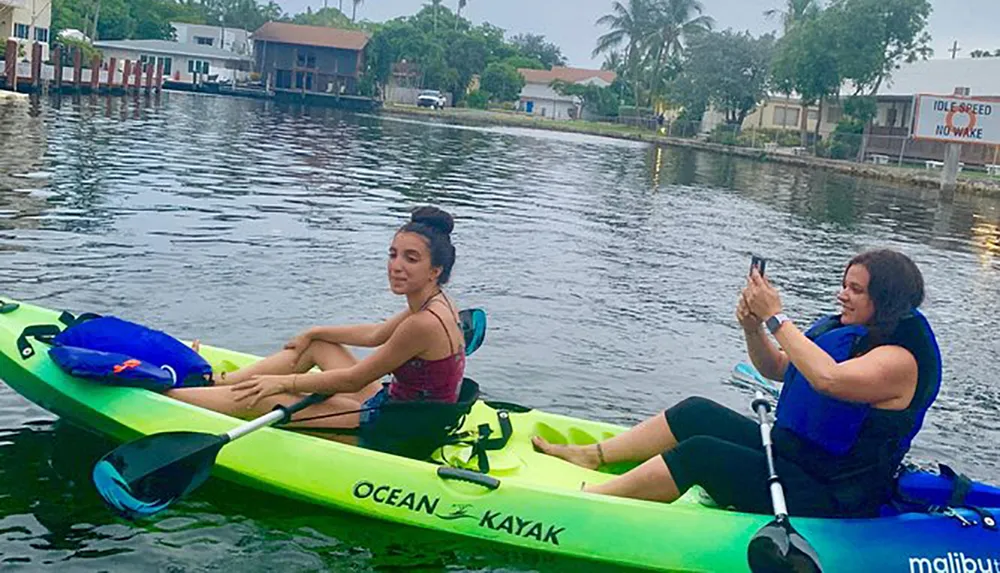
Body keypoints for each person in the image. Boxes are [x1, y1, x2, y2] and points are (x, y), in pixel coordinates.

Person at [533, 249, 941, 518]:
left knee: (702, 454)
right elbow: (779, 368)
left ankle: (590, 504)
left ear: (884, 300)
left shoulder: (900, 359)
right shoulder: (854, 333)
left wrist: (777, 318)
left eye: (855, 289)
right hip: (797, 457)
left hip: (833, 493)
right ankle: (593, 455)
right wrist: (752, 328)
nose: (841, 296)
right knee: (697, 413)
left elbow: (828, 379)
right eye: (844, 285)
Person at [168, 206, 467, 441]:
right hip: (399, 404)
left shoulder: (423, 324)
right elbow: (376, 334)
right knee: (320, 346)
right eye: (393, 254)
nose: (396, 266)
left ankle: (166, 397)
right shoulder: (438, 302)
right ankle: (214, 383)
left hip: (398, 429)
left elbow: (353, 380)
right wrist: (315, 332)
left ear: (435, 270)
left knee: (267, 396)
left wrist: (283, 382)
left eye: (411, 259)